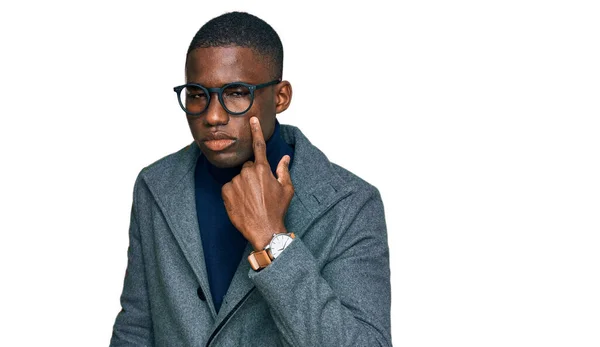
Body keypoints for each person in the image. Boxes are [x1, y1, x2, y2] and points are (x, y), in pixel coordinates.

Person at [110, 11, 391, 347]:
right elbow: (136, 331)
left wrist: (272, 239)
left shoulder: (350, 204)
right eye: (197, 94)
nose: (212, 116)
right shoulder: (155, 186)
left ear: (281, 97)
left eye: (237, 93)